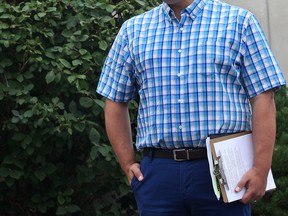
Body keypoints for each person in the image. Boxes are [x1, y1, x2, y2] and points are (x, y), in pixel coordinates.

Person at [96, 0, 286, 215]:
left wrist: (261, 168)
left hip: (225, 172)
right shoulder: (133, 31)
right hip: (158, 174)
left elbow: (263, 96)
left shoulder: (239, 23)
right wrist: (127, 164)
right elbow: (114, 98)